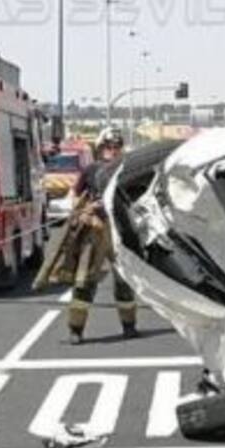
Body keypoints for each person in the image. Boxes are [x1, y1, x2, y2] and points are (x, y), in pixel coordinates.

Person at [33, 127, 138, 343]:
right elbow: (75, 194)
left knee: (124, 281)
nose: (112, 150)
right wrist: (84, 209)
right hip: (95, 231)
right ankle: (76, 330)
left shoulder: (127, 171)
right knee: (84, 282)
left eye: (116, 146)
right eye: (108, 146)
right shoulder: (91, 170)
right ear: (100, 148)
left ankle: (129, 326)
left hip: (119, 231)